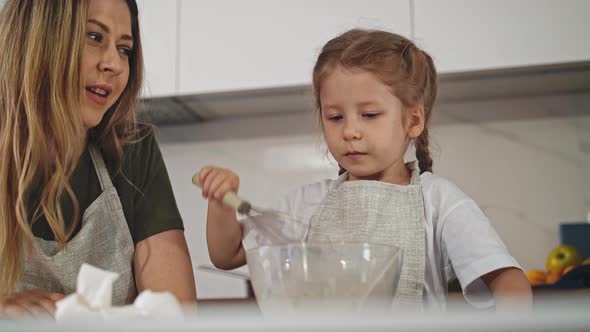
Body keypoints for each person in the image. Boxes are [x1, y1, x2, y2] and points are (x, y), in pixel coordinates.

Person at [197, 29, 532, 311]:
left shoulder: (439, 201)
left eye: (369, 115)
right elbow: (229, 255)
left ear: (413, 120)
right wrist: (220, 202)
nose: (350, 131)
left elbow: (508, 282)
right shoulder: (308, 203)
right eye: (335, 117)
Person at [0, 0, 196, 318]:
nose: (115, 64)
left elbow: (174, 314)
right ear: (37, 39)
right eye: (94, 37)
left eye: (124, 49)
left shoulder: (134, 152)